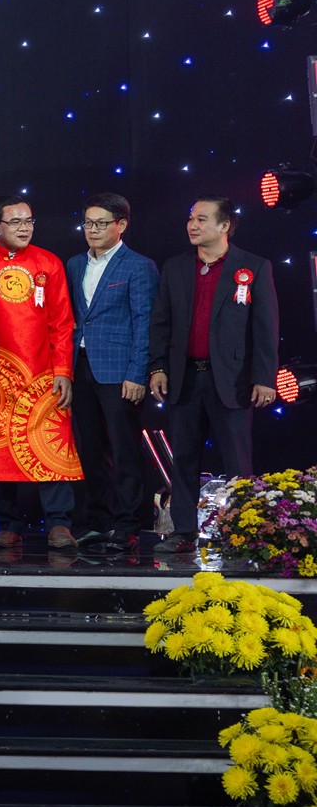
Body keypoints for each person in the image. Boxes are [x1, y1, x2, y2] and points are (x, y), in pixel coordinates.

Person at [147, 196, 280, 554]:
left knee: (238, 462)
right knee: (184, 460)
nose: (192, 225)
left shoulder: (253, 266)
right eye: (191, 218)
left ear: (224, 226)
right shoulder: (176, 267)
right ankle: (184, 533)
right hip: (185, 378)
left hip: (232, 381)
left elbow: (265, 328)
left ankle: (242, 535)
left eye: (202, 219)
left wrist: (264, 378)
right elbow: (160, 323)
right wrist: (158, 367)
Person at [0, 197, 81, 551]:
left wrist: (63, 370)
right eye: (15, 221)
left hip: (42, 372)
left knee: (51, 445)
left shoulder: (48, 262)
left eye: (29, 221)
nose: (24, 228)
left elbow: (63, 322)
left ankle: (59, 524)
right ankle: (8, 524)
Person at [64, 193, 159, 552]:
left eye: (101, 223)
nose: (93, 230)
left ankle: (128, 524)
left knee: (124, 449)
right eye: (88, 223)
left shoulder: (139, 266)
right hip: (81, 365)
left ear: (121, 225)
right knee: (89, 449)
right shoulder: (75, 264)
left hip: (120, 370)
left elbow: (144, 323)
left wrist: (138, 373)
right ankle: (98, 521)